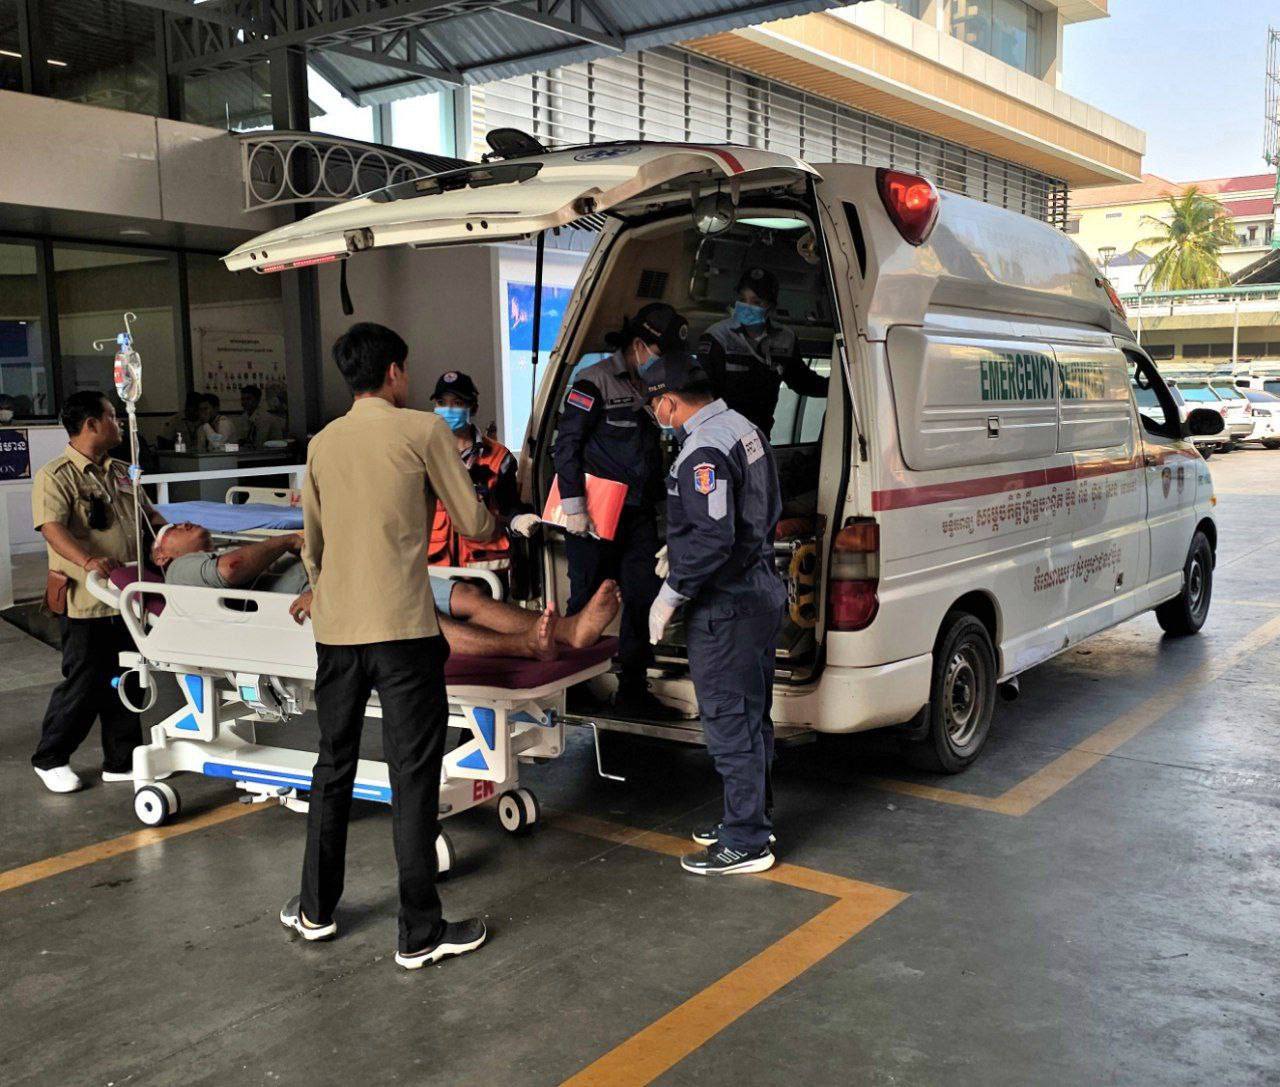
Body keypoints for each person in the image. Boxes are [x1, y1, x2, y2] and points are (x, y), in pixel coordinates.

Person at [280, 321, 505, 970]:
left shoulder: (322, 442)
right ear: (395, 372)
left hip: (337, 634)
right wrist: (496, 515)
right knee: (412, 775)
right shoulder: (423, 430)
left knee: (333, 766)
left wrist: (325, 589)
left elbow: (312, 544)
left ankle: (316, 910)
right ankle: (419, 932)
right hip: (403, 632)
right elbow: (473, 522)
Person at [644, 353, 786, 876]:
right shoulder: (742, 427)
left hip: (727, 606)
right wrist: (683, 548)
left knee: (729, 721)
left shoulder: (702, 449)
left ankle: (746, 841)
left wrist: (672, 590)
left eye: (652, 405)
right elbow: (755, 512)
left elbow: (712, 538)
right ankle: (750, 816)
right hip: (760, 589)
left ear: (668, 401)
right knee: (752, 717)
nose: (654, 415)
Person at [151, 522, 621, 660]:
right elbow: (232, 571)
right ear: (161, 555)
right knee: (423, 619)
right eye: (178, 528)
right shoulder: (181, 571)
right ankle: (524, 645)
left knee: (465, 595)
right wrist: (287, 541)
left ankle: (569, 630)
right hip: (329, 599)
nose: (188, 524)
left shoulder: (225, 549)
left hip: (352, 576)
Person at [551, 302, 688, 721]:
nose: (661, 360)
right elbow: (566, 445)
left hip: (638, 514)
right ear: (638, 344)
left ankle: (632, 688)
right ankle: (572, 689)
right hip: (595, 516)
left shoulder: (654, 386)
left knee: (642, 595)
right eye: (658, 351)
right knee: (586, 598)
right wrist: (573, 506)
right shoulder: (593, 383)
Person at [30, 390, 167, 794]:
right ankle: (50, 758)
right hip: (87, 598)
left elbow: (147, 515)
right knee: (85, 681)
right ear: (91, 424)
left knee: (129, 676)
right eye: (111, 416)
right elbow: (52, 528)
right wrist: (88, 560)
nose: (118, 422)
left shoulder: (122, 471)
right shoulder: (56, 476)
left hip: (129, 595)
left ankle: (121, 760)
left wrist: (166, 537)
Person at [697, 266, 828, 437]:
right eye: (743, 299)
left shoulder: (785, 338)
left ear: (771, 307)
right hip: (721, 434)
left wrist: (836, 388)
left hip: (759, 434)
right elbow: (702, 394)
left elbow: (802, 381)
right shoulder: (717, 336)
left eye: (756, 302)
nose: (747, 306)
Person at [427, 370, 521, 568]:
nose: (448, 410)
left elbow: (509, 507)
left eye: (457, 403)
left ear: (473, 407)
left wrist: (517, 520)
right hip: (437, 568)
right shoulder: (424, 453)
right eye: (441, 403)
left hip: (483, 568)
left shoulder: (499, 457)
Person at [239, 384, 286, 448]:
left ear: (257, 400)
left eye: (248, 399)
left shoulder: (265, 418)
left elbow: (259, 443)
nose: (245, 402)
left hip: (272, 451)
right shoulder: (244, 417)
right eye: (243, 399)